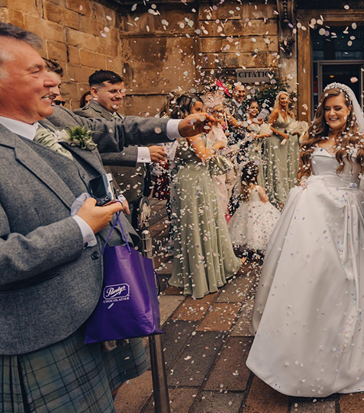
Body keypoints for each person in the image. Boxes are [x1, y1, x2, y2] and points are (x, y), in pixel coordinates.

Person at [0, 22, 212, 412]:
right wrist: (80, 227)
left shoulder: (53, 121)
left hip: (101, 294)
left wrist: (176, 127)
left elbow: (111, 131)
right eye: (36, 71)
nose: (52, 81)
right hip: (45, 327)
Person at [247, 83, 364, 397]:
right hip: (311, 215)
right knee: (308, 277)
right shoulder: (312, 137)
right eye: (328, 108)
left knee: (344, 280)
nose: (332, 113)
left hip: (348, 215)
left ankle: (344, 349)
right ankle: (295, 341)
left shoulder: (363, 141)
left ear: (349, 111)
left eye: (339, 108)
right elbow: (304, 173)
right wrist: (304, 190)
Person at [167, 93, 242, 299]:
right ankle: (201, 276)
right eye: (197, 110)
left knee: (204, 223)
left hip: (197, 178)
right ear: (186, 112)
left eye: (201, 109)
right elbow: (204, 155)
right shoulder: (189, 130)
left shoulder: (188, 128)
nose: (202, 114)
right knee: (199, 224)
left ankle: (206, 270)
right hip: (194, 181)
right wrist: (217, 145)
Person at [74, 70, 168, 219]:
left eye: (121, 91)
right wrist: (143, 153)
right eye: (112, 91)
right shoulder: (85, 117)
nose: (119, 95)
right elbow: (97, 154)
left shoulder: (118, 117)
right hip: (113, 198)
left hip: (134, 194)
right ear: (94, 92)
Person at [227, 161, 280, 257]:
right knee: (261, 225)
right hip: (260, 208)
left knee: (248, 226)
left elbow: (244, 199)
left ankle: (248, 246)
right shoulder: (258, 188)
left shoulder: (245, 188)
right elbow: (264, 199)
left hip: (247, 208)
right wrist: (266, 199)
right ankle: (260, 244)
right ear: (255, 175)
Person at [263, 91, 300, 206]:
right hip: (275, 141)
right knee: (277, 165)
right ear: (279, 100)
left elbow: (290, 126)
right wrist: (281, 134)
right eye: (282, 99)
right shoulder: (276, 112)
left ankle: (288, 190)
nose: (284, 101)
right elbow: (269, 126)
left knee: (285, 165)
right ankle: (278, 193)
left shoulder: (289, 112)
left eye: (286, 99)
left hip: (285, 142)